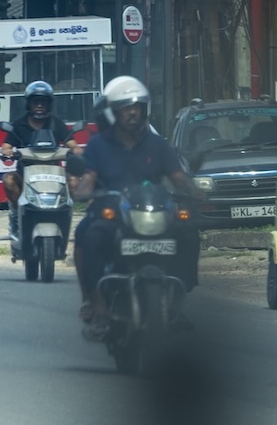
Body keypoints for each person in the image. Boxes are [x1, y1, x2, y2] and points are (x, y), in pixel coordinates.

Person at [69, 75, 193, 329]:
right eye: (126, 108)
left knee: (189, 233)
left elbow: (177, 176)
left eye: (137, 107)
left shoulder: (158, 144)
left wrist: (197, 190)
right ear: (113, 112)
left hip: (152, 213)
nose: (132, 112)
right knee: (87, 235)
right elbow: (89, 177)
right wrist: (81, 188)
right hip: (112, 214)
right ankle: (95, 301)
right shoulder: (98, 145)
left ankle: (177, 303)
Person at [0, 81, 73, 242]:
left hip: (55, 176)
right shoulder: (19, 124)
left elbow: (72, 144)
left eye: (43, 102)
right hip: (25, 175)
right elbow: (6, 146)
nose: (39, 105)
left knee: (74, 181)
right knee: (8, 180)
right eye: (35, 102)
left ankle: (67, 218)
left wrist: (77, 152)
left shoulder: (56, 123)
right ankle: (16, 217)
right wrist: (7, 152)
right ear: (29, 104)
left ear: (49, 105)